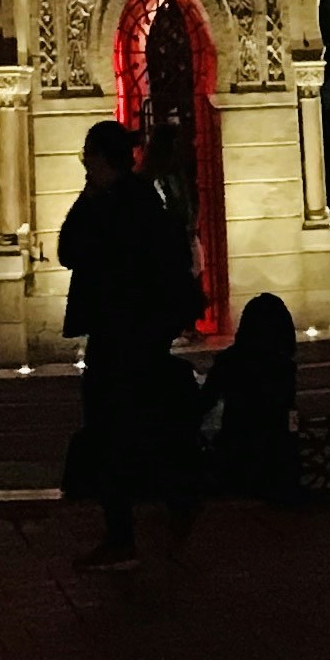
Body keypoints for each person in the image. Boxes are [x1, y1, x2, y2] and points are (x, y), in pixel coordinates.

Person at [57, 118, 201, 570]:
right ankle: (171, 503)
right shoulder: (142, 199)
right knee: (139, 428)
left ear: (99, 159)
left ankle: (124, 535)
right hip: (141, 335)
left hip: (120, 337)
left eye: (87, 158)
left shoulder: (112, 204)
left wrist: (88, 195)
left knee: (110, 433)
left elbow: (69, 250)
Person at [197, 294, 298, 499]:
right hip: (273, 448)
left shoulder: (230, 361)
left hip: (240, 443)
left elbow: (206, 400)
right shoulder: (281, 364)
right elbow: (288, 408)